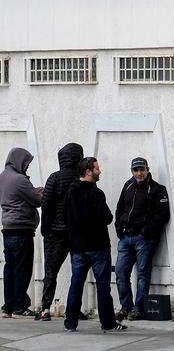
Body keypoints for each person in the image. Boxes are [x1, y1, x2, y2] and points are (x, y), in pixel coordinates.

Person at [63, 157, 126, 332]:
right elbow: (107, 217)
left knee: (76, 284)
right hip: (97, 246)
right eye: (97, 168)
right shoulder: (96, 193)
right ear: (89, 171)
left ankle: (70, 323)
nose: (100, 171)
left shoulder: (70, 192)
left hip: (77, 247)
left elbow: (65, 218)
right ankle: (108, 323)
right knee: (103, 286)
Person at [114, 157, 170, 321]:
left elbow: (163, 214)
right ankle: (125, 307)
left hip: (144, 239)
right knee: (120, 272)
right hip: (125, 237)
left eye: (141, 169)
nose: (139, 173)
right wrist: (119, 229)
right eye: (135, 170)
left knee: (143, 274)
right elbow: (119, 208)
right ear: (132, 171)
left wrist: (146, 230)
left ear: (147, 169)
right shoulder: (127, 185)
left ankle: (138, 309)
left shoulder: (158, 189)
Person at [35, 142, 84, 322]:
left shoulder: (54, 178)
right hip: (76, 233)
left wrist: (45, 228)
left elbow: (46, 204)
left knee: (51, 272)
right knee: (78, 272)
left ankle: (45, 309)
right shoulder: (81, 179)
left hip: (55, 233)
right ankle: (75, 309)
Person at [0, 147, 42, 318]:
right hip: (21, 228)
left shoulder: (3, 177)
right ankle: (20, 306)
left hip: (7, 228)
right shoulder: (19, 180)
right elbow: (37, 200)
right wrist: (42, 190)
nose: (27, 166)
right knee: (22, 268)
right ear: (19, 161)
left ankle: (7, 306)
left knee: (9, 268)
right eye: (26, 163)